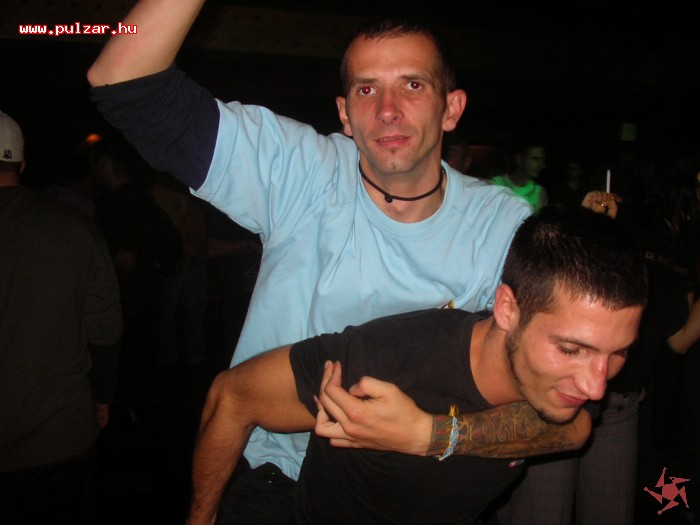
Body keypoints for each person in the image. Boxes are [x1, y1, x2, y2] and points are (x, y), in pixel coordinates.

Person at [85, 2, 557, 484]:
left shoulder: (502, 224)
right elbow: (122, 79)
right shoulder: (302, 173)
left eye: (412, 85)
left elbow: (558, 403)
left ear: (451, 108)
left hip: (410, 483)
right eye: (366, 89)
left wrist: (433, 435)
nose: (387, 110)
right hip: (276, 475)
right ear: (345, 114)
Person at [187, 208, 647, 525]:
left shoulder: (560, 390)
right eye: (571, 349)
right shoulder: (388, 360)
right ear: (508, 309)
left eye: (618, 354)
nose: (596, 386)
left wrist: (429, 435)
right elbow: (232, 396)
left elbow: (575, 431)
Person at [495, 142, 700, 525]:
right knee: (544, 513)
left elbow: (679, 339)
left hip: (621, 407)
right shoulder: (620, 224)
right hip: (557, 400)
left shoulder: (685, 245)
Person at [0, 111, 123, 524]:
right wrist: (102, 394)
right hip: (56, 436)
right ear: (22, 165)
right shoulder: (74, 227)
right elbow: (105, 328)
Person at [491, 142, 549, 212]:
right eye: (535, 159)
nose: (542, 165)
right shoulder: (496, 184)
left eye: (542, 160)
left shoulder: (539, 192)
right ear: (519, 159)